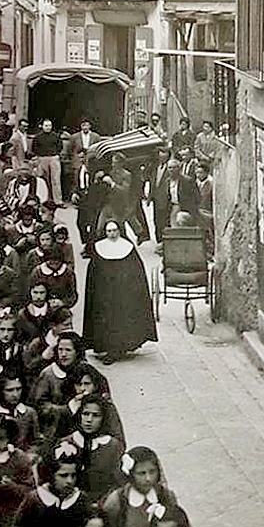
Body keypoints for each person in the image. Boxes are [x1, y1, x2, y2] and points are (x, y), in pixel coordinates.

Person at [83, 221, 157, 364]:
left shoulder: (128, 247)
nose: (112, 234)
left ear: (119, 231)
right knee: (105, 319)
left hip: (123, 293)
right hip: (104, 294)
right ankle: (108, 348)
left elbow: (136, 273)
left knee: (122, 318)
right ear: (105, 232)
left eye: (115, 230)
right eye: (109, 231)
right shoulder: (98, 247)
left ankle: (121, 348)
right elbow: (93, 273)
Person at [11, 450, 90, 527]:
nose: (69, 481)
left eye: (73, 476)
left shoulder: (81, 500)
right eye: (63, 476)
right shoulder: (35, 499)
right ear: (51, 475)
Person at [103, 446, 179, 527]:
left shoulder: (166, 496)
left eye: (152, 472)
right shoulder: (116, 501)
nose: (148, 478)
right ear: (131, 475)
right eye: (141, 473)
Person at [57, 395, 125, 504]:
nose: (89, 420)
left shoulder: (113, 446)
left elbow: (117, 482)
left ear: (104, 418)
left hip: (103, 502)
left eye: (96, 416)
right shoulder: (66, 443)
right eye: (85, 414)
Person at [0, 372, 42, 458]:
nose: (15, 394)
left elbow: (37, 441)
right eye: (10, 390)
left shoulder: (29, 413)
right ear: (1, 391)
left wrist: (27, 455)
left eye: (18, 389)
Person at [95, 154, 134, 237]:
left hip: (118, 206)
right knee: (100, 228)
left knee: (119, 229)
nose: (113, 165)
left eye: (115, 163)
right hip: (108, 205)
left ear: (121, 163)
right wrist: (98, 178)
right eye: (112, 162)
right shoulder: (110, 172)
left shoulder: (126, 175)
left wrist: (112, 184)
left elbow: (124, 190)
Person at [31, 118, 63, 206]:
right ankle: (46, 199)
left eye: (49, 126)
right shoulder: (38, 137)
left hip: (53, 158)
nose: (48, 127)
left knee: (56, 180)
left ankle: (58, 200)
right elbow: (34, 148)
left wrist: (55, 154)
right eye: (46, 126)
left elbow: (60, 146)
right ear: (42, 126)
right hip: (42, 158)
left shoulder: (56, 136)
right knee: (44, 179)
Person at [144, 146, 171, 242]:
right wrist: (149, 197)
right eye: (161, 157)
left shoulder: (170, 168)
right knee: (156, 220)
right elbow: (153, 183)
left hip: (166, 199)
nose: (162, 159)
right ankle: (158, 239)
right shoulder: (155, 167)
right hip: (156, 198)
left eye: (164, 157)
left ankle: (165, 240)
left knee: (164, 221)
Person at [166, 159, 198, 227]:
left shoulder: (187, 181)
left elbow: (196, 197)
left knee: (180, 220)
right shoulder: (167, 181)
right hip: (172, 208)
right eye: (169, 167)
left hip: (184, 208)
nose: (171, 170)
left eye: (174, 167)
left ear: (179, 168)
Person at [70, 119, 101, 187]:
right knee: (77, 177)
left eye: (87, 125)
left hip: (91, 160)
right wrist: (77, 156)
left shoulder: (96, 136)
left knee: (90, 177)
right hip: (79, 159)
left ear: (90, 126)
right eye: (83, 125)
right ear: (81, 126)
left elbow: (98, 149)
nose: (85, 127)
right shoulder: (74, 137)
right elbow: (71, 149)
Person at [195, 159, 214, 259]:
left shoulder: (211, 184)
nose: (198, 175)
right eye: (197, 172)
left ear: (206, 173)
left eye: (201, 172)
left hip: (208, 212)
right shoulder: (195, 184)